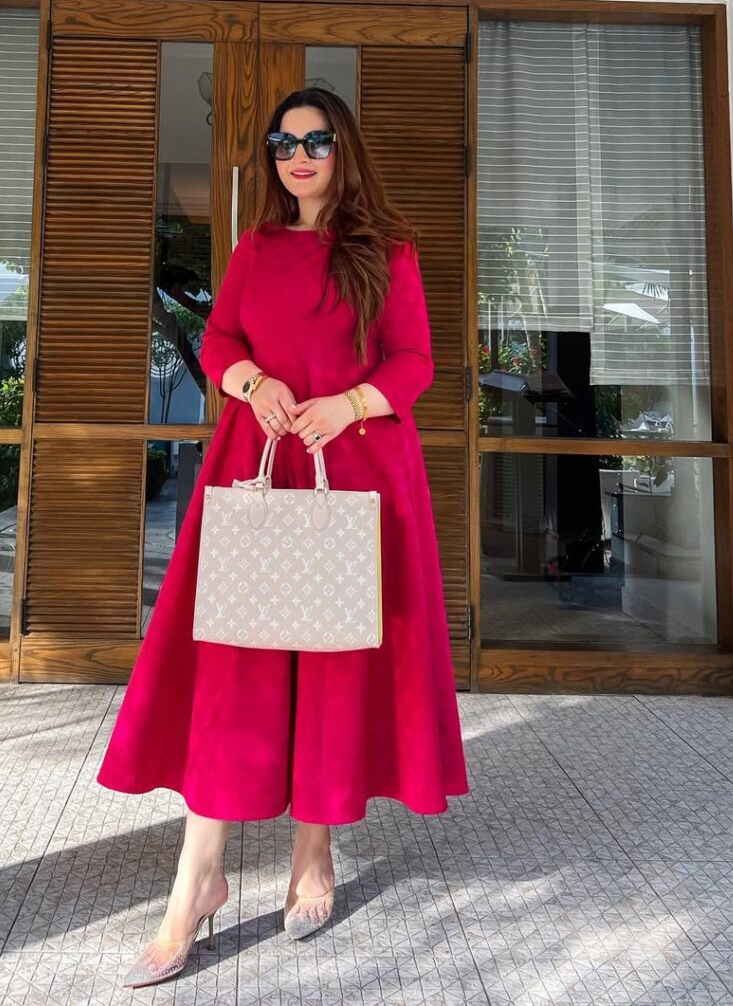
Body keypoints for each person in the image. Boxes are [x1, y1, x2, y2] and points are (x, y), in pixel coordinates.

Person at [96, 86, 470, 989]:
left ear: (344, 148)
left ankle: (314, 851)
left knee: (333, 658)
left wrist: (350, 404)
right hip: (258, 469)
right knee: (236, 667)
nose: (297, 156)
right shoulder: (257, 247)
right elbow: (219, 341)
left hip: (356, 469)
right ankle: (197, 879)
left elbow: (415, 360)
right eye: (283, 142)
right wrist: (250, 381)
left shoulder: (388, 247)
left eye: (315, 141)